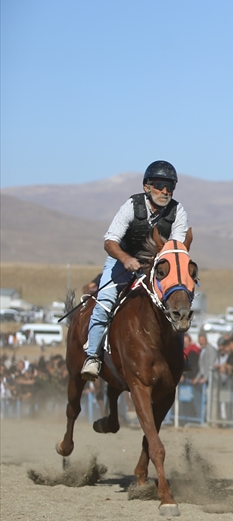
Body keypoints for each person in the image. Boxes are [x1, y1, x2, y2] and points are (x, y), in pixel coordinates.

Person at [81, 161, 191, 380]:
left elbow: (175, 250)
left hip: (155, 266)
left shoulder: (178, 211)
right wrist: (126, 259)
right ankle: (92, 356)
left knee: (175, 302)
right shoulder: (132, 206)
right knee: (104, 303)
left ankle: (178, 353)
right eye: (160, 185)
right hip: (121, 261)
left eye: (170, 186)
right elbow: (110, 241)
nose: (165, 191)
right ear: (147, 187)